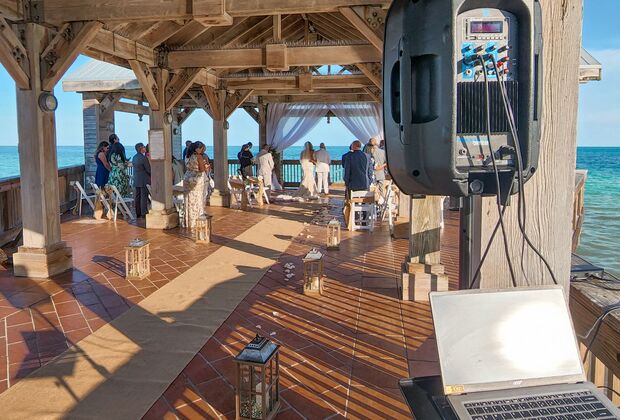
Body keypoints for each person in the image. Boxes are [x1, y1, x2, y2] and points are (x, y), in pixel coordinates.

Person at [183, 141, 210, 230]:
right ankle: (196, 221)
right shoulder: (198, 156)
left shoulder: (187, 156)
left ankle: (189, 221)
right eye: (201, 148)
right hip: (196, 179)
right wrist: (206, 167)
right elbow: (201, 169)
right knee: (197, 200)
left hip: (187, 178)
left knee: (188, 199)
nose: (202, 150)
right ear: (197, 148)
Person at [132, 143, 151, 219]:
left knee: (138, 196)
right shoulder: (144, 158)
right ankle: (144, 213)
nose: (145, 148)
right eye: (143, 147)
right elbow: (148, 169)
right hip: (143, 179)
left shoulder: (134, 157)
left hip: (136, 178)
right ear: (140, 148)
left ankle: (138, 212)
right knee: (144, 197)